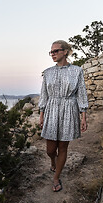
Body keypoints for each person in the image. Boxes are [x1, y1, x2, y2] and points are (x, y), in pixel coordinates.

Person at [38, 40, 88, 192]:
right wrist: (41, 115)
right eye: (51, 52)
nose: (52, 54)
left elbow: (81, 94)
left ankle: (56, 177)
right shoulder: (47, 72)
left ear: (65, 51)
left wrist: (84, 117)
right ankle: (53, 160)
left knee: (63, 147)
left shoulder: (77, 71)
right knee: (50, 149)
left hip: (69, 109)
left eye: (55, 51)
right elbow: (44, 95)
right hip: (52, 109)